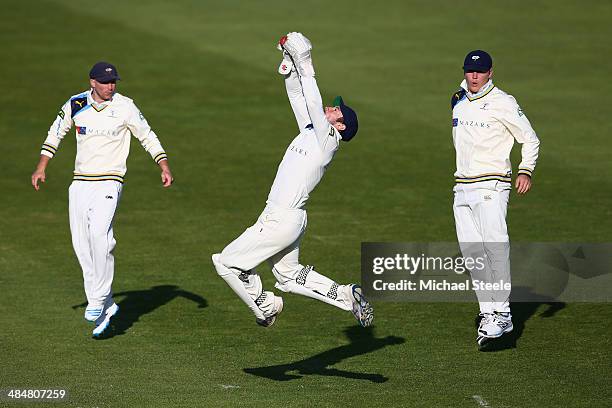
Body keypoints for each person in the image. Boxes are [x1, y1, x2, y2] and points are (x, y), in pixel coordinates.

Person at [212, 32, 373, 328]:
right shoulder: (312, 132)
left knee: (225, 262)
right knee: (288, 276)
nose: (329, 107)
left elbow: (311, 97)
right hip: (287, 218)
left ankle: (264, 306)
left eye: (335, 109)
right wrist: (289, 63)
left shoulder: (328, 140)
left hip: (281, 219)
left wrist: (305, 62)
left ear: (340, 125)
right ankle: (347, 296)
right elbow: (299, 96)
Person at [31, 62, 173, 338]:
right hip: (80, 182)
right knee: (81, 244)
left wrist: (163, 164)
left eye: (114, 82)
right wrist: (41, 166)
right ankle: (107, 305)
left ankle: (96, 300)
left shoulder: (126, 106)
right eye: (106, 82)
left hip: (110, 180)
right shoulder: (76, 104)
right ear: (92, 82)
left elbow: (147, 135)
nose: (111, 87)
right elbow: (55, 133)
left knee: (101, 237)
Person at [451, 50, 540, 348]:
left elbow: (530, 139)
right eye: (469, 71)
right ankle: (488, 311)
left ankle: (502, 312)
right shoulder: (459, 100)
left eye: (480, 71)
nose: (474, 76)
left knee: (495, 247)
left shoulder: (504, 102)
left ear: (490, 72)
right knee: (472, 254)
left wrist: (525, 170)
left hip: (492, 184)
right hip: (462, 187)